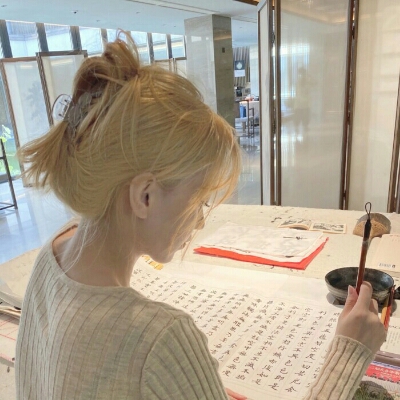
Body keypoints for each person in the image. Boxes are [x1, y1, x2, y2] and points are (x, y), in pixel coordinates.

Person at [15, 33, 386, 400]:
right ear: (145, 196)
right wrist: (349, 352)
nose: (199, 221)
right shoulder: (159, 339)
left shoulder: (51, 256)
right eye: (198, 201)